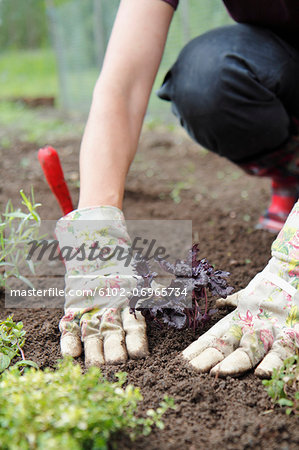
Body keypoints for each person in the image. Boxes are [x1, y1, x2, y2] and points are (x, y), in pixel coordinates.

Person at [55, 0, 298, 377]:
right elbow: (123, 85)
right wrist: (95, 243)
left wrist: (293, 270)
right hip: (282, 63)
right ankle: (292, 169)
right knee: (207, 78)